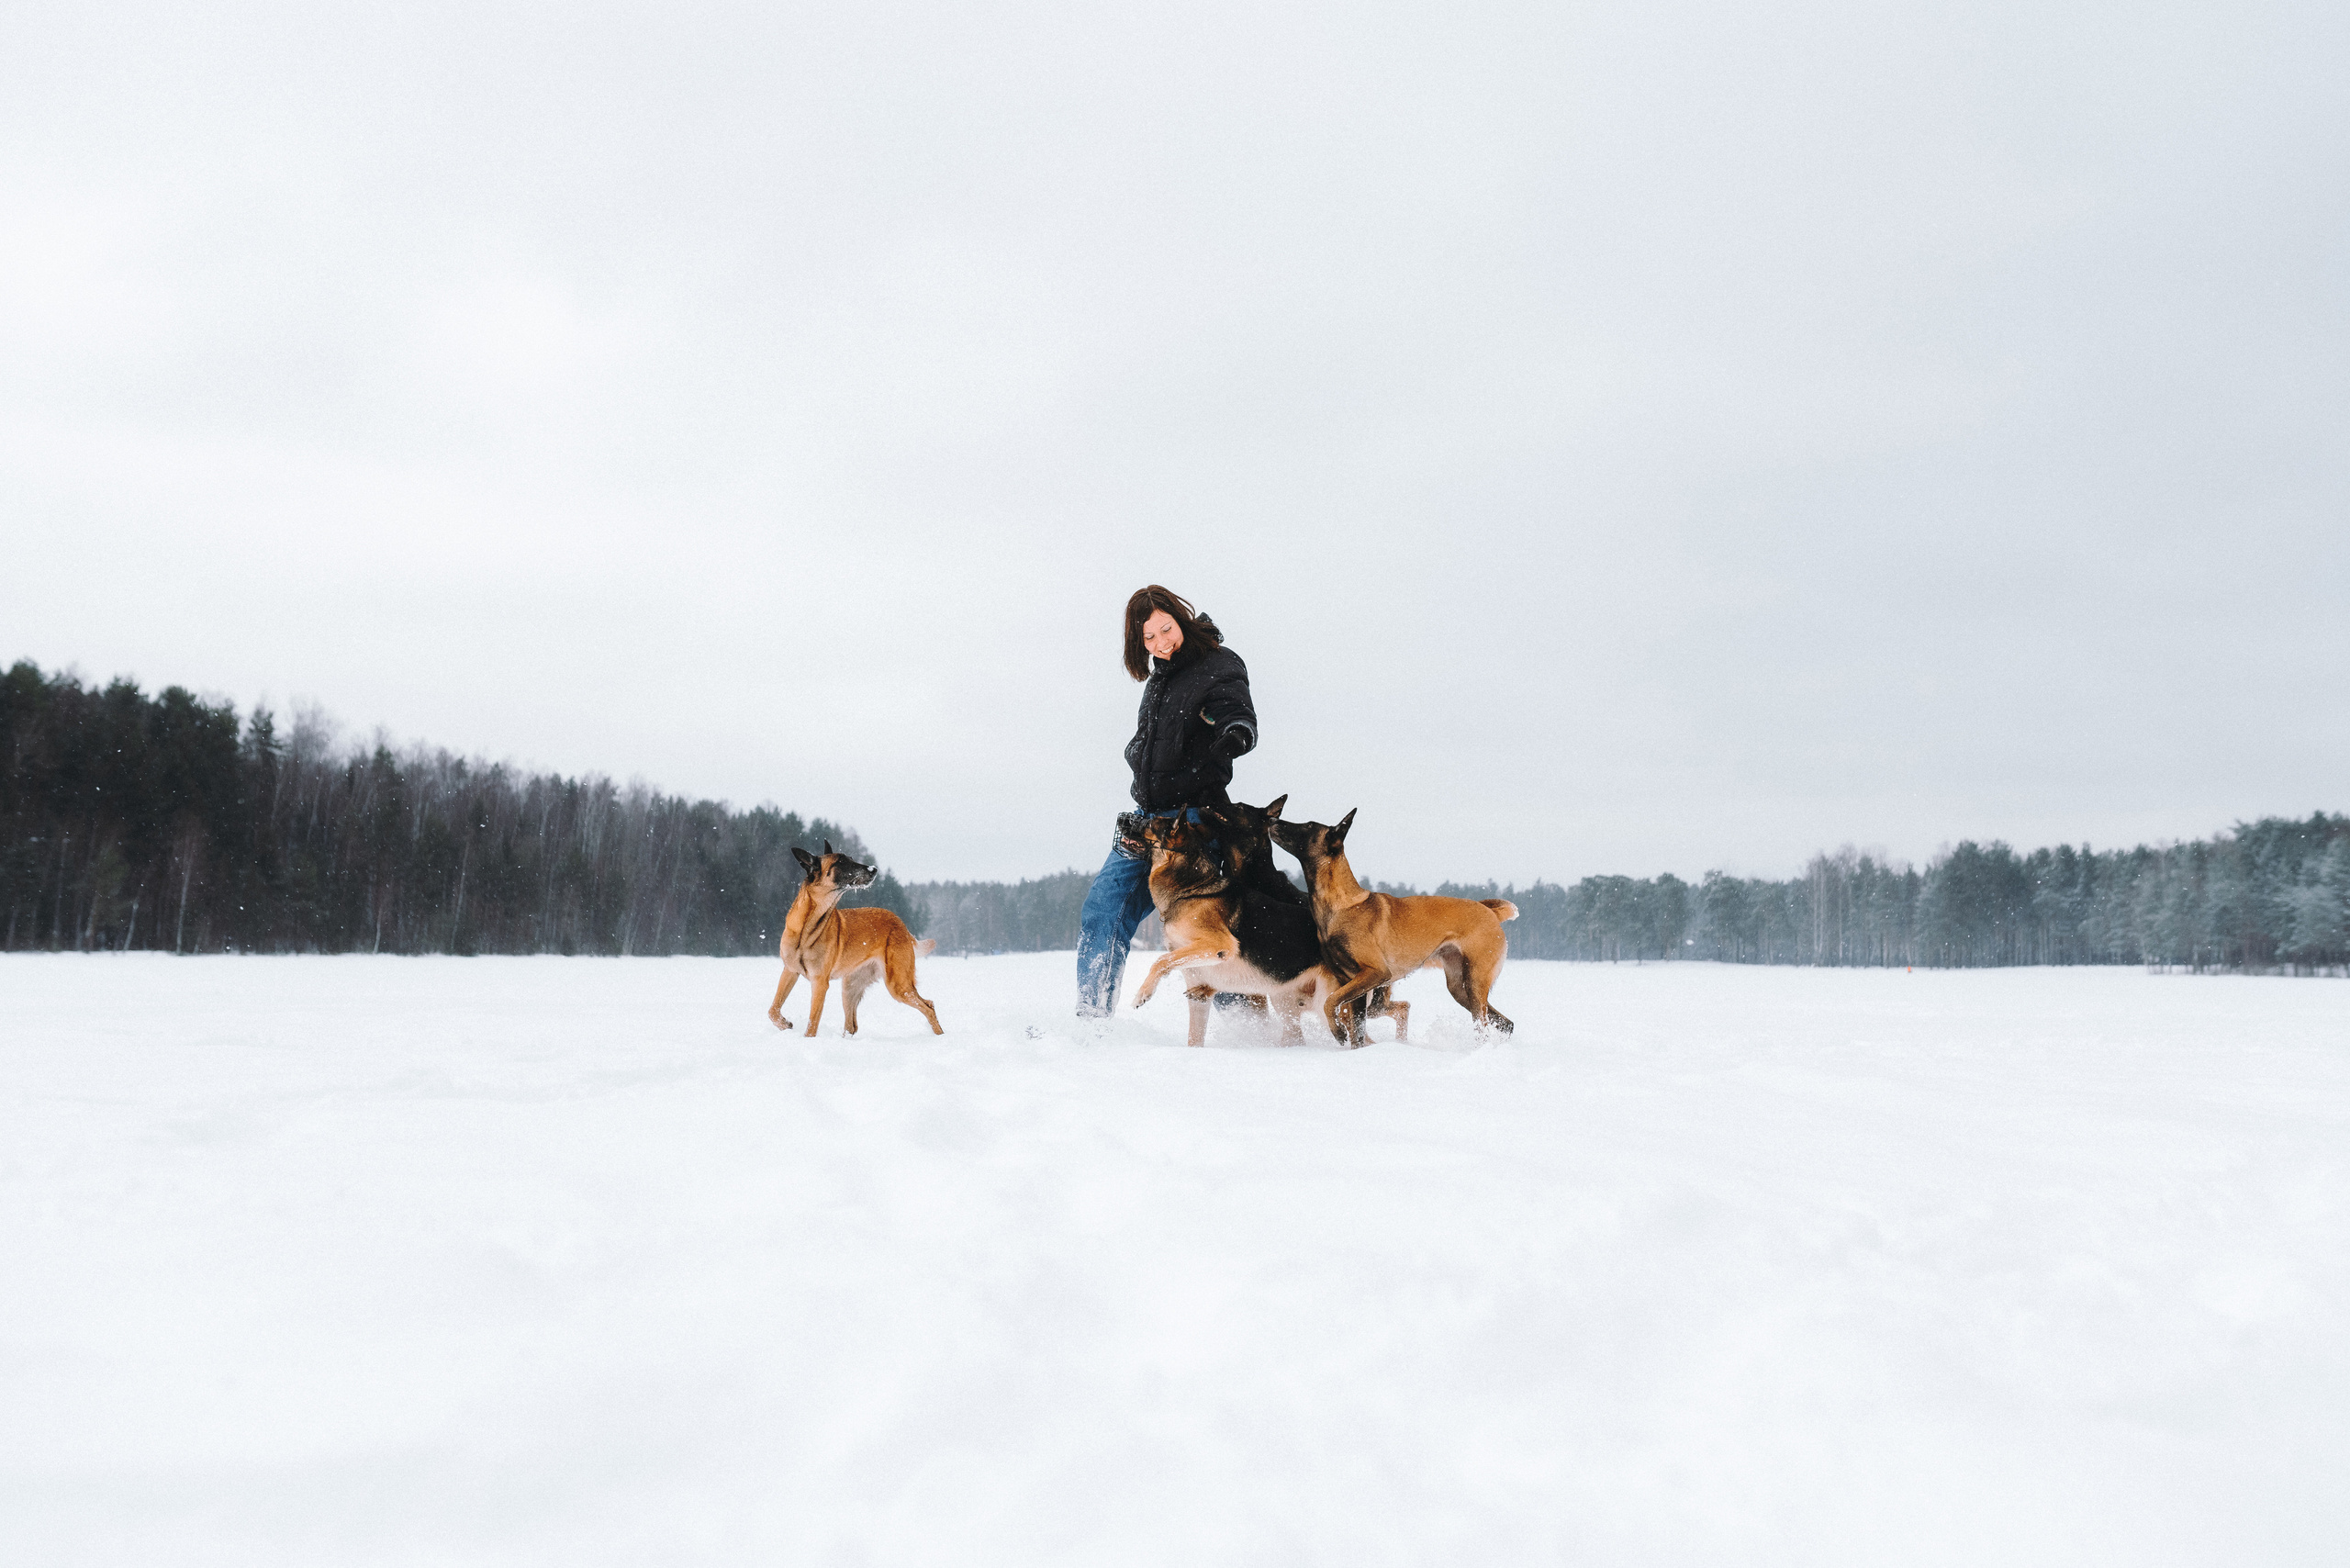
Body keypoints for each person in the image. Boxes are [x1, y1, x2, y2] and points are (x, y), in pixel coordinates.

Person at [1075, 586, 1259, 1017]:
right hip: (1145, 821)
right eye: (1149, 638)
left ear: (1181, 619)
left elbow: (1235, 710)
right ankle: (1091, 1022)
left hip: (1191, 826)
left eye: (1166, 629)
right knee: (1102, 911)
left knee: (1203, 930)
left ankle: (1247, 1029)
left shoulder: (1218, 663)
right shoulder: (1159, 678)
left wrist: (1235, 733)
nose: (1161, 643)